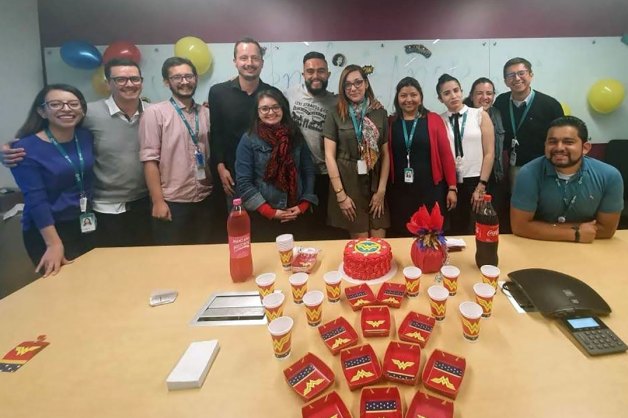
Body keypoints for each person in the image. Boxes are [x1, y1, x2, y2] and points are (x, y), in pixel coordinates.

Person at [3, 59, 152, 248]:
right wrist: (8, 149)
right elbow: (49, 136)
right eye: (121, 79)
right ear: (108, 83)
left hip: (144, 203)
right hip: (102, 207)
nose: (129, 84)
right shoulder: (90, 113)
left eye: (134, 78)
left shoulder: (154, 112)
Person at [9, 84, 95, 277]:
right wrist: (54, 243)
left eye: (73, 104)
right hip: (49, 229)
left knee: (91, 280)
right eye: (56, 104)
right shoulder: (24, 148)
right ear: (42, 111)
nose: (66, 109)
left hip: (85, 222)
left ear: (82, 109)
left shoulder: (85, 137)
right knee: (63, 289)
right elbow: (35, 199)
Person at [208, 38, 281, 241]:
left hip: (267, 179)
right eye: (244, 58)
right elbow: (216, 134)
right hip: (233, 179)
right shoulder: (218, 93)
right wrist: (220, 167)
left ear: (262, 62)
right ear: (235, 61)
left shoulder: (272, 95)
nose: (249, 62)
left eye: (255, 58)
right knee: (240, 236)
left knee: (267, 234)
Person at [511, 116, 624, 243]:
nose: (559, 147)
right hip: (539, 245)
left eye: (568, 142)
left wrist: (544, 228)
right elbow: (519, 226)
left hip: (590, 248)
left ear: (585, 148)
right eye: (552, 142)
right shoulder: (529, 173)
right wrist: (575, 234)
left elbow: (607, 230)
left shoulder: (609, 176)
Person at [139, 57, 213, 245]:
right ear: (167, 82)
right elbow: (149, 160)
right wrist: (157, 201)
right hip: (173, 202)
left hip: (205, 198)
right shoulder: (155, 113)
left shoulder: (206, 113)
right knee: (173, 260)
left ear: (196, 78)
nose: (185, 81)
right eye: (177, 77)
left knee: (205, 256)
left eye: (189, 76)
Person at [235, 89, 318, 242]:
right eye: (265, 108)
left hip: (296, 213)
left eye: (275, 107)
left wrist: (304, 204)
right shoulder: (249, 139)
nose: (271, 112)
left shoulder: (295, 135)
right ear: (257, 112)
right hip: (265, 218)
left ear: (283, 109)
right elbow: (244, 182)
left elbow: (308, 170)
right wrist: (269, 211)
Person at [323, 64, 390, 238]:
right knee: (361, 244)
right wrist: (341, 195)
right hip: (348, 182)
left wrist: (381, 190)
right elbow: (329, 156)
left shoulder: (379, 112)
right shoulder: (335, 113)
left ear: (366, 84)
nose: (353, 88)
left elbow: (385, 154)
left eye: (358, 82)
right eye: (347, 84)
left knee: (379, 242)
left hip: (375, 182)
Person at [386, 77, 457, 237]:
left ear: (421, 97)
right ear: (397, 98)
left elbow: (446, 155)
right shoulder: (391, 122)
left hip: (430, 190)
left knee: (430, 236)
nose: (409, 99)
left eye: (413, 95)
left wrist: (452, 187)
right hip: (399, 192)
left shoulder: (433, 119)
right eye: (403, 95)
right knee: (401, 234)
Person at [285, 51, 345, 240]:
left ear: (328, 74)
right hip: (299, 175)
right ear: (303, 74)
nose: (315, 76)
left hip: (330, 174)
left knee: (331, 227)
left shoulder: (337, 102)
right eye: (310, 71)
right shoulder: (288, 96)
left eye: (320, 71)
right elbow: (264, 103)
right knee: (304, 230)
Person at [437, 73, 494, 235]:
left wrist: (481, 185)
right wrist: (450, 186)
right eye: (447, 93)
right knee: (452, 230)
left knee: (474, 228)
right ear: (440, 98)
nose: (453, 96)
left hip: (475, 181)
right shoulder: (439, 120)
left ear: (462, 91)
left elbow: (489, 153)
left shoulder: (479, 115)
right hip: (450, 184)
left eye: (456, 90)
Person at [493, 57, 563, 189]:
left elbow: (561, 139)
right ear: (505, 81)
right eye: (511, 75)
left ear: (531, 75)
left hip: (545, 167)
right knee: (518, 204)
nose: (517, 78)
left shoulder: (550, 105)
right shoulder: (501, 102)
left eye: (521, 73)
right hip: (515, 167)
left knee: (545, 205)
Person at [464, 77, 509, 232]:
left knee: (492, 223)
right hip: (473, 179)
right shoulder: (465, 115)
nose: (485, 97)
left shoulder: (497, 113)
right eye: (479, 93)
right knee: (472, 223)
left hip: (495, 177)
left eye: (489, 93)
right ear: (471, 96)